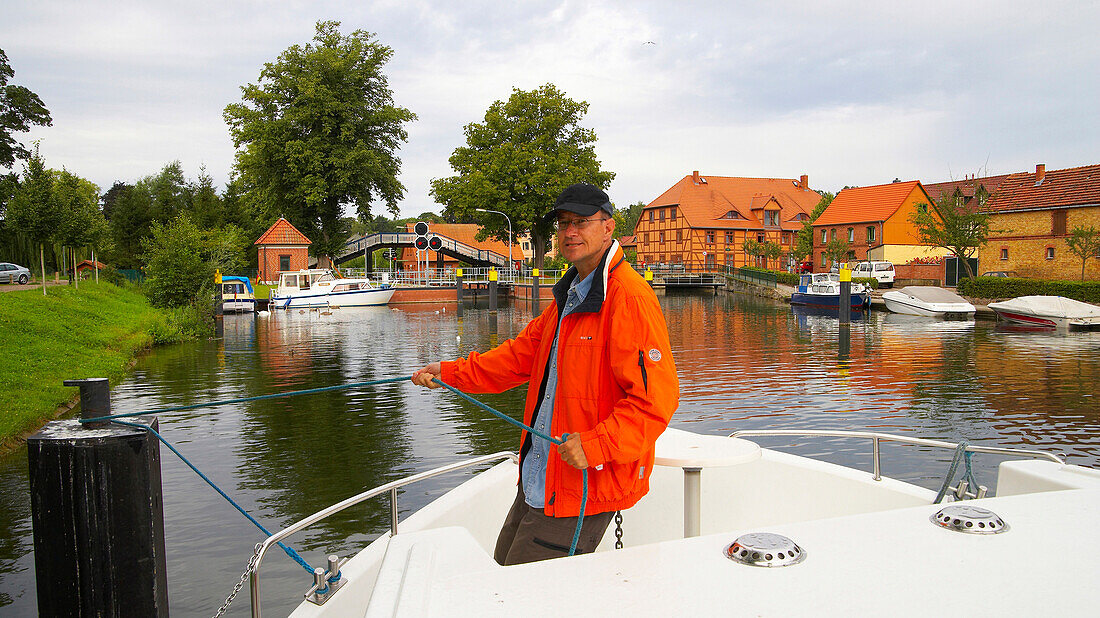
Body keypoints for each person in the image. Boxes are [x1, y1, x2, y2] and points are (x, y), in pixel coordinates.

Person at [411, 183, 679, 565]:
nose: (569, 232)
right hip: (541, 481)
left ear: (608, 228)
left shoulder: (628, 298)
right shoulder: (569, 296)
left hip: (582, 486)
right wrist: (450, 372)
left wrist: (596, 445)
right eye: (563, 223)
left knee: (520, 594)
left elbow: (656, 402)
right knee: (502, 570)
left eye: (581, 222)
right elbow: (517, 358)